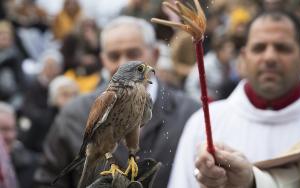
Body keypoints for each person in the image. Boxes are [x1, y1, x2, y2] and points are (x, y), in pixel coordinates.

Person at [168, 10, 300, 188]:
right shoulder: (203, 122)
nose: (270, 57)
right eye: (259, 48)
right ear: (243, 57)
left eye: (282, 48)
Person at [33, 16, 200, 188]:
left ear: (155, 55)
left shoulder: (191, 113)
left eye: (133, 54)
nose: (123, 63)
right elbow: (47, 181)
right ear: (103, 59)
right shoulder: (74, 114)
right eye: (114, 56)